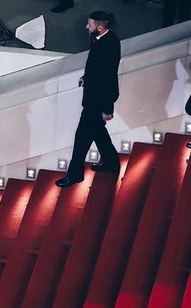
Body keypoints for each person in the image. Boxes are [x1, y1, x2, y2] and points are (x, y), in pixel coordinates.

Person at [56, 12, 121, 187]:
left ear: (100, 27)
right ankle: (112, 163)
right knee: (98, 132)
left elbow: (108, 77)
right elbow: (95, 65)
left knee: (82, 138)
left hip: (98, 101)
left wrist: (107, 108)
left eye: (89, 25)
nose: (86, 27)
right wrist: (86, 77)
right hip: (94, 97)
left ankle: (75, 174)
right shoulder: (98, 38)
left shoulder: (109, 43)